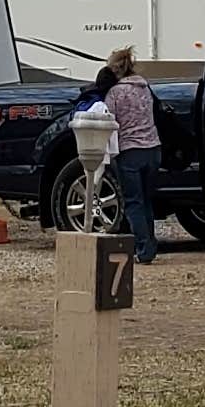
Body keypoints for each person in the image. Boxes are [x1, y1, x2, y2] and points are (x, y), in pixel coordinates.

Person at [85, 47, 165, 265]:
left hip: (130, 151)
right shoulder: (145, 88)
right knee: (146, 201)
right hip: (153, 149)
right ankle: (150, 245)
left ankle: (143, 249)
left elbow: (109, 122)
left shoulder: (115, 93)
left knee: (133, 202)